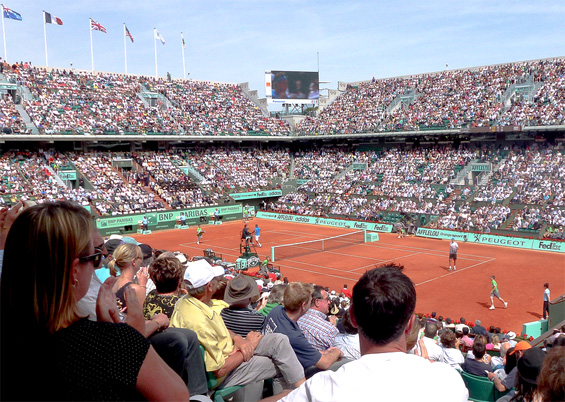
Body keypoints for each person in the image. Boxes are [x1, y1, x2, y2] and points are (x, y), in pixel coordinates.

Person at [0, 201, 189, 401]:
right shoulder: (112, 343)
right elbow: (179, 397)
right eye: (95, 257)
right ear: (74, 271)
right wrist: (133, 336)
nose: (99, 263)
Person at [277, 266, 468, 401]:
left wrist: (295, 394)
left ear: (352, 317)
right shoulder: (448, 380)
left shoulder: (321, 388)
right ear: (410, 325)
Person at [170, 259, 306, 395]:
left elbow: (218, 328)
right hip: (224, 372)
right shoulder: (198, 321)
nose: (219, 281)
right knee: (282, 364)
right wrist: (249, 346)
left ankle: (305, 390)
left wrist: (238, 339)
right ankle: (303, 395)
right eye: (216, 279)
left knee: (279, 341)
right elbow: (219, 370)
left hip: (230, 350)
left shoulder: (188, 301)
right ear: (209, 286)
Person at [265, 282, 345, 377]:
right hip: (285, 377)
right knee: (344, 363)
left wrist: (322, 353)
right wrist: (337, 352)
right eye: (310, 301)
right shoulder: (293, 336)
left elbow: (301, 349)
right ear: (303, 305)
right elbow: (325, 363)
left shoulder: (276, 310)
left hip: (272, 364)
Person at [297, 285, 340, 352]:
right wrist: (333, 327)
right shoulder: (330, 329)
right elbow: (337, 353)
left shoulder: (296, 318)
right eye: (327, 299)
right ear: (317, 302)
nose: (329, 302)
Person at [109, 243, 148, 310]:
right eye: (140, 258)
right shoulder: (134, 289)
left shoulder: (112, 281)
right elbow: (142, 316)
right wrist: (142, 285)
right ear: (133, 261)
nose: (141, 261)